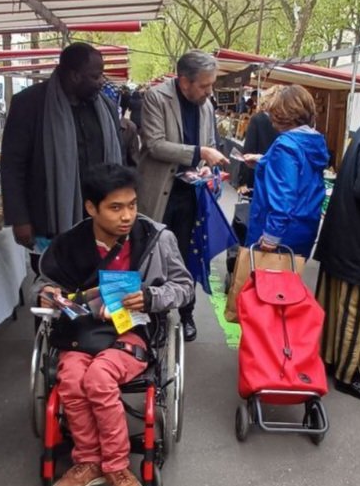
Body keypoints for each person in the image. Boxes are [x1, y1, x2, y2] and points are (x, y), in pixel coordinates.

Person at [36, 164, 194, 486]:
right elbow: (44, 282)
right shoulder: (71, 242)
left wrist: (152, 298)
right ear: (91, 207)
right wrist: (48, 292)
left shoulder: (156, 237)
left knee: (98, 378)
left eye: (132, 205)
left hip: (134, 330)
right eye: (115, 207)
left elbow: (185, 287)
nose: (128, 216)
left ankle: (118, 467)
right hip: (81, 331)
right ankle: (89, 461)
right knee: (73, 378)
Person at [0, 42, 124, 258]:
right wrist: (19, 219)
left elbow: (118, 160)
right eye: (95, 77)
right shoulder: (29, 104)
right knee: (54, 288)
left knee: (100, 286)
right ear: (74, 76)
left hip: (101, 220)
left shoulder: (106, 106)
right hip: (49, 220)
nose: (101, 82)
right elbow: (12, 166)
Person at [138, 49, 228, 341]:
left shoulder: (206, 105)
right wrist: (199, 153)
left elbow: (210, 142)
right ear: (184, 81)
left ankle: (187, 313)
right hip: (160, 193)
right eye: (204, 85)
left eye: (211, 84)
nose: (209, 91)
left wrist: (204, 168)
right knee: (155, 256)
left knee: (189, 255)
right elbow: (154, 144)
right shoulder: (154, 98)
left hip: (192, 195)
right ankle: (156, 318)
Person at [315, 103, 360, 403]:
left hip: (348, 242)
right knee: (356, 314)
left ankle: (332, 360)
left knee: (340, 310)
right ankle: (348, 376)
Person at [244, 84, 329, 256]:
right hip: (303, 227)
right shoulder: (312, 141)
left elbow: (285, 194)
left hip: (279, 233)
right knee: (289, 280)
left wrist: (271, 236)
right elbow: (299, 174)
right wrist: (264, 161)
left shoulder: (285, 146)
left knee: (264, 281)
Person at [237, 86, 280, 193]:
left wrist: (243, 180)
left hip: (258, 173)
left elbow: (248, 150)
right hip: (277, 175)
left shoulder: (257, 119)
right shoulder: (285, 123)